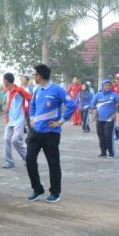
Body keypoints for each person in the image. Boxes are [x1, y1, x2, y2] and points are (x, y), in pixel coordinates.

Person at [25, 64, 76, 203]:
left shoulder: (57, 90)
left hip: (51, 134)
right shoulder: (36, 90)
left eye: (34, 74)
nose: (33, 77)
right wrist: (32, 119)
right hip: (35, 133)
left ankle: (55, 192)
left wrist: (61, 121)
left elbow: (72, 105)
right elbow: (32, 106)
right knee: (29, 160)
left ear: (40, 76)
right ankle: (37, 189)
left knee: (53, 163)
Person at [1, 73, 32, 169]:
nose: (3, 81)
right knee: (6, 139)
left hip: (19, 119)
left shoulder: (19, 90)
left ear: (6, 80)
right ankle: (9, 161)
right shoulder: (5, 91)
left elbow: (31, 99)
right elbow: (5, 103)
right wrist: (5, 109)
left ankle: (28, 159)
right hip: (9, 120)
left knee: (15, 140)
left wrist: (27, 112)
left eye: (3, 80)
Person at [90, 80, 119, 158]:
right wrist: (94, 110)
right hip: (99, 119)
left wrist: (115, 114)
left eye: (109, 85)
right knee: (101, 135)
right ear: (103, 86)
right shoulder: (98, 95)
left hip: (110, 119)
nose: (107, 87)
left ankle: (111, 153)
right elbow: (92, 104)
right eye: (106, 85)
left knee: (108, 135)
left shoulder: (114, 95)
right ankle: (103, 152)